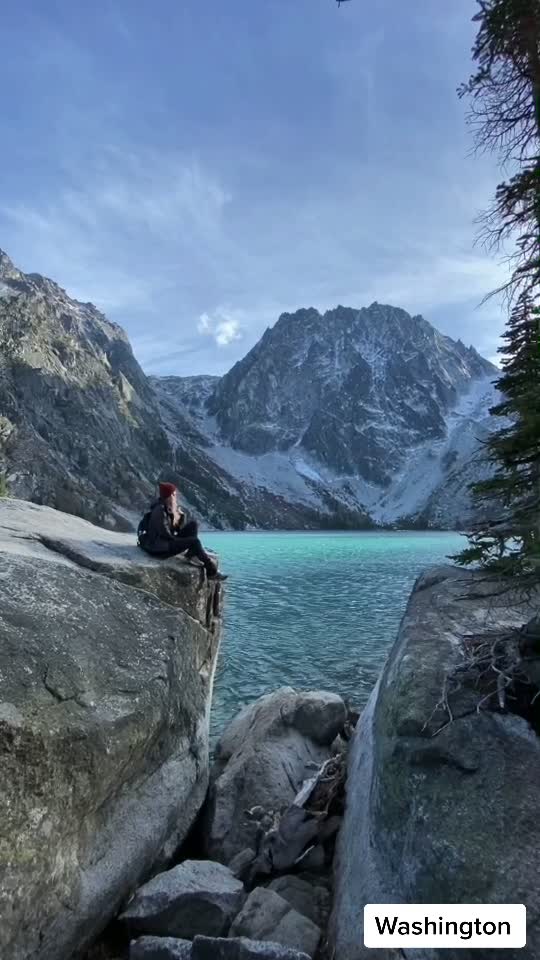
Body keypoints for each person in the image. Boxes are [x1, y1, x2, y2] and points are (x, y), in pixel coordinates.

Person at [144, 482, 227, 581]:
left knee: (193, 525)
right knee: (194, 541)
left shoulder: (166, 507)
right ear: (170, 495)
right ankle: (211, 571)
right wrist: (184, 542)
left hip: (164, 542)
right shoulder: (159, 511)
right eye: (174, 494)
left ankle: (192, 553)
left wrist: (181, 517)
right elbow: (165, 534)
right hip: (158, 548)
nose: (176, 496)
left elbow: (175, 530)